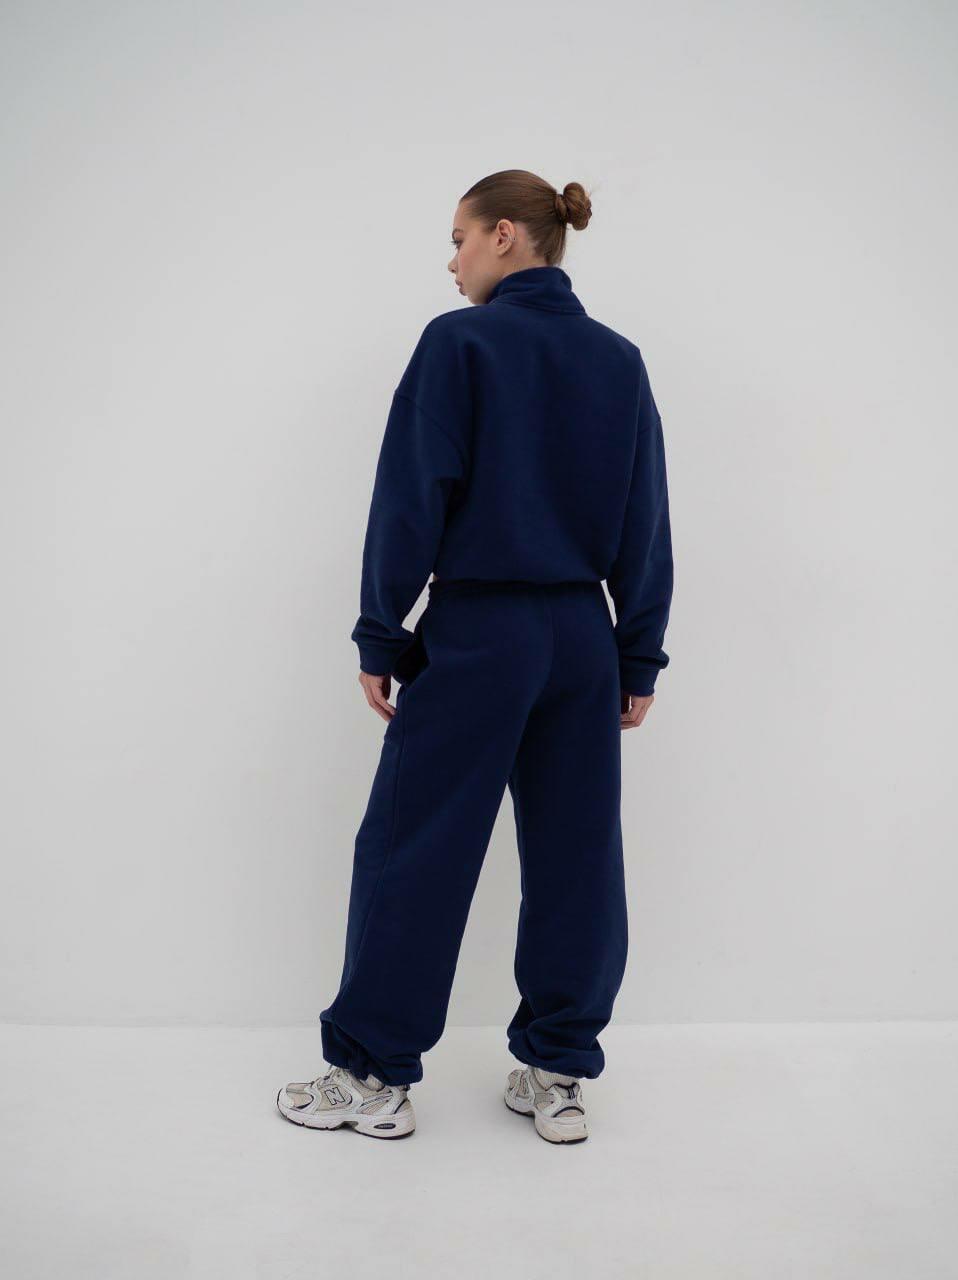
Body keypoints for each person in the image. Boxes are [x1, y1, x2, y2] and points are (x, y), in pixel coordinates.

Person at [276, 169, 674, 1143]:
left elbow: (413, 493)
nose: (451, 261)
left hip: (481, 632)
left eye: (458, 238)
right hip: (580, 638)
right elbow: (645, 519)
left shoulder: (460, 342)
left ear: (505, 234)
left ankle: (372, 1075)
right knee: (578, 855)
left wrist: (381, 628)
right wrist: (636, 655)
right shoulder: (618, 359)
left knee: (417, 845)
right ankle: (557, 1070)